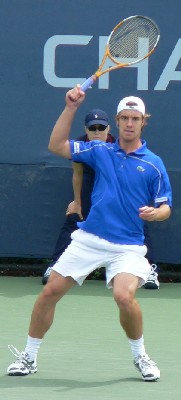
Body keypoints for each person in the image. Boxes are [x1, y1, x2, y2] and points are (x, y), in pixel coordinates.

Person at [7, 86, 172, 382]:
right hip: (90, 239)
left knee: (124, 296)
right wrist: (70, 107)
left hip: (129, 247)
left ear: (143, 122)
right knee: (49, 292)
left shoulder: (154, 164)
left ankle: (140, 356)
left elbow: (165, 207)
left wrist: (155, 213)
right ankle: (29, 356)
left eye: (136, 118)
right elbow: (56, 145)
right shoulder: (100, 151)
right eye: (125, 118)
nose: (130, 123)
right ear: (117, 122)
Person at [42, 109, 116, 284]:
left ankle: (148, 269)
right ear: (86, 129)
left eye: (101, 127)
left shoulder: (117, 145)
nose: (97, 132)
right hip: (89, 177)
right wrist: (77, 202)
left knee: (134, 217)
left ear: (109, 129)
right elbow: (78, 174)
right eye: (93, 128)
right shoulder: (80, 144)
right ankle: (56, 265)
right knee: (74, 216)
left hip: (112, 180)